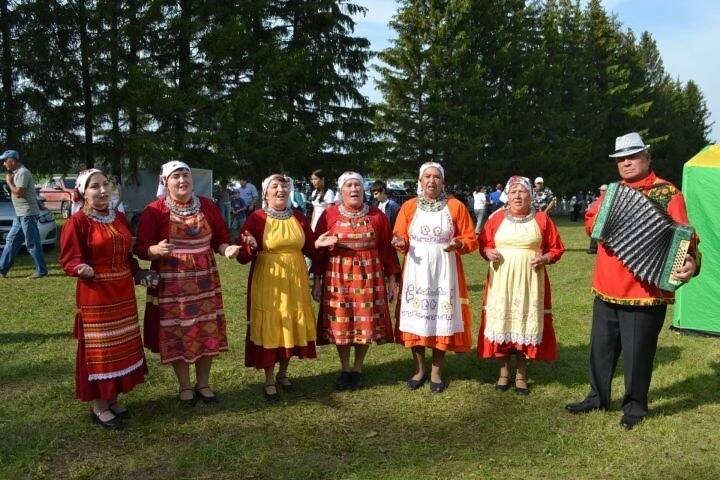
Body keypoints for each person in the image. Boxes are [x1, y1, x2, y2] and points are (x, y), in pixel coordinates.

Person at [565, 132, 700, 430]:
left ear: (647, 157)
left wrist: (691, 261)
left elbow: (686, 237)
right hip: (606, 286)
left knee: (638, 354)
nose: (626, 163)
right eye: (620, 159)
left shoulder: (669, 193)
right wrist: (598, 220)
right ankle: (597, 397)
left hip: (645, 292)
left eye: (632, 156)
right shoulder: (611, 192)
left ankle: (635, 407)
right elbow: (590, 223)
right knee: (600, 348)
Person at [59, 168, 159, 429]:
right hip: (97, 294)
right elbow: (69, 259)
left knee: (120, 345)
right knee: (100, 349)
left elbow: (126, 256)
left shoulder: (119, 218)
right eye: (95, 186)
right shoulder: (78, 222)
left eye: (106, 184)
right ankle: (99, 406)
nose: (103, 190)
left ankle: (112, 398)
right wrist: (80, 267)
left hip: (122, 293)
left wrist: (138, 273)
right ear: (83, 192)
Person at [134, 161, 240, 406]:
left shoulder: (208, 205)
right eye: (176, 177)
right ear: (165, 182)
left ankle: (203, 383)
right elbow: (141, 248)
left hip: (204, 279)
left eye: (185, 175)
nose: (182, 180)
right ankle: (184, 385)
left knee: (206, 328)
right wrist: (154, 250)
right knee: (177, 331)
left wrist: (227, 249)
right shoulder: (155, 210)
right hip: (172, 282)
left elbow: (220, 238)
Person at [391, 162, 478, 393]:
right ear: (420, 181)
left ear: (443, 182)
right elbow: (400, 235)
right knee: (417, 320)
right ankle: (419, 370)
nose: (432, 181)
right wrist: (400, 241)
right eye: (427, 177)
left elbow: (470, 239)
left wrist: (458, 243)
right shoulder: (409, 206)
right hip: (416, 270)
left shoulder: (456, 206)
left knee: (441, 319)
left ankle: (436, 372)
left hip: (444, 270)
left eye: (436, 177)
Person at [313, 172, 401, 390]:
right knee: (341, 321)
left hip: (369, 275)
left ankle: (358, 369)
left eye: (358, 185)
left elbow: (387, 250)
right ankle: (345, 369)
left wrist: (392, 280)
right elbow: (319, 251)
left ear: (363, 189)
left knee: (365, 321)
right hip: (338, 276)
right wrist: (317, 281)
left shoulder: (377, 216)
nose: (354, 189)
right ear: (341, 190)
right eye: (349, 185)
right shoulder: (329, 215)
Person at [477, 176, 565, 395]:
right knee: (502, 324)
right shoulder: (496, 218)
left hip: (530, 282)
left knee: (525, 324)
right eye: (513, 192)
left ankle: (521, 375)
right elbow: (484, 243)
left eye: (522, 191)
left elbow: (556, 248)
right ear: (507, 196)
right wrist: (488, 251)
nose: (517, 196)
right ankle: (503, 373)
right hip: (501, 281)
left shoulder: (542, 219)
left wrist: (545, 258)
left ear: (530, 195)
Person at [238, 174, 317, 403]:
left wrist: (321, 245)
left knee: (290, 323)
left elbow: (311, 248)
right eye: (275, 186)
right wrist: (250, 247)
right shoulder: (256, 219)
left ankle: (283, 373)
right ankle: (269, 378)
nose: (280, 190)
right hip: (269, 280)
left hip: (296, 280)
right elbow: (242, 256)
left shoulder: (299, 217)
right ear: (265, 193)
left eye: (284, 186)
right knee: (272, 325)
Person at [0, 150, 48, 279]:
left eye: (5, 161)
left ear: (12, 160)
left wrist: (9, 182)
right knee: (11, 240)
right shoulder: (17, 173)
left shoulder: (22, 173)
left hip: (27, 214)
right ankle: (2, 269)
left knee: (32, 243)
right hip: (20, 214)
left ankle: (41, 271)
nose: (4, 164)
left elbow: (19, 193)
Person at [586, 184, 607, 254]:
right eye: (600, 190)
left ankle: (594, 248)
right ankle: (594, 248)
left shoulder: (606, 199)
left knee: (596, 232)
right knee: (595, 232)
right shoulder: (599, 199)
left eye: (601, 190)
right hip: (598, 218)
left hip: (601, 219)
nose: (600, 191)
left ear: (605, 191)